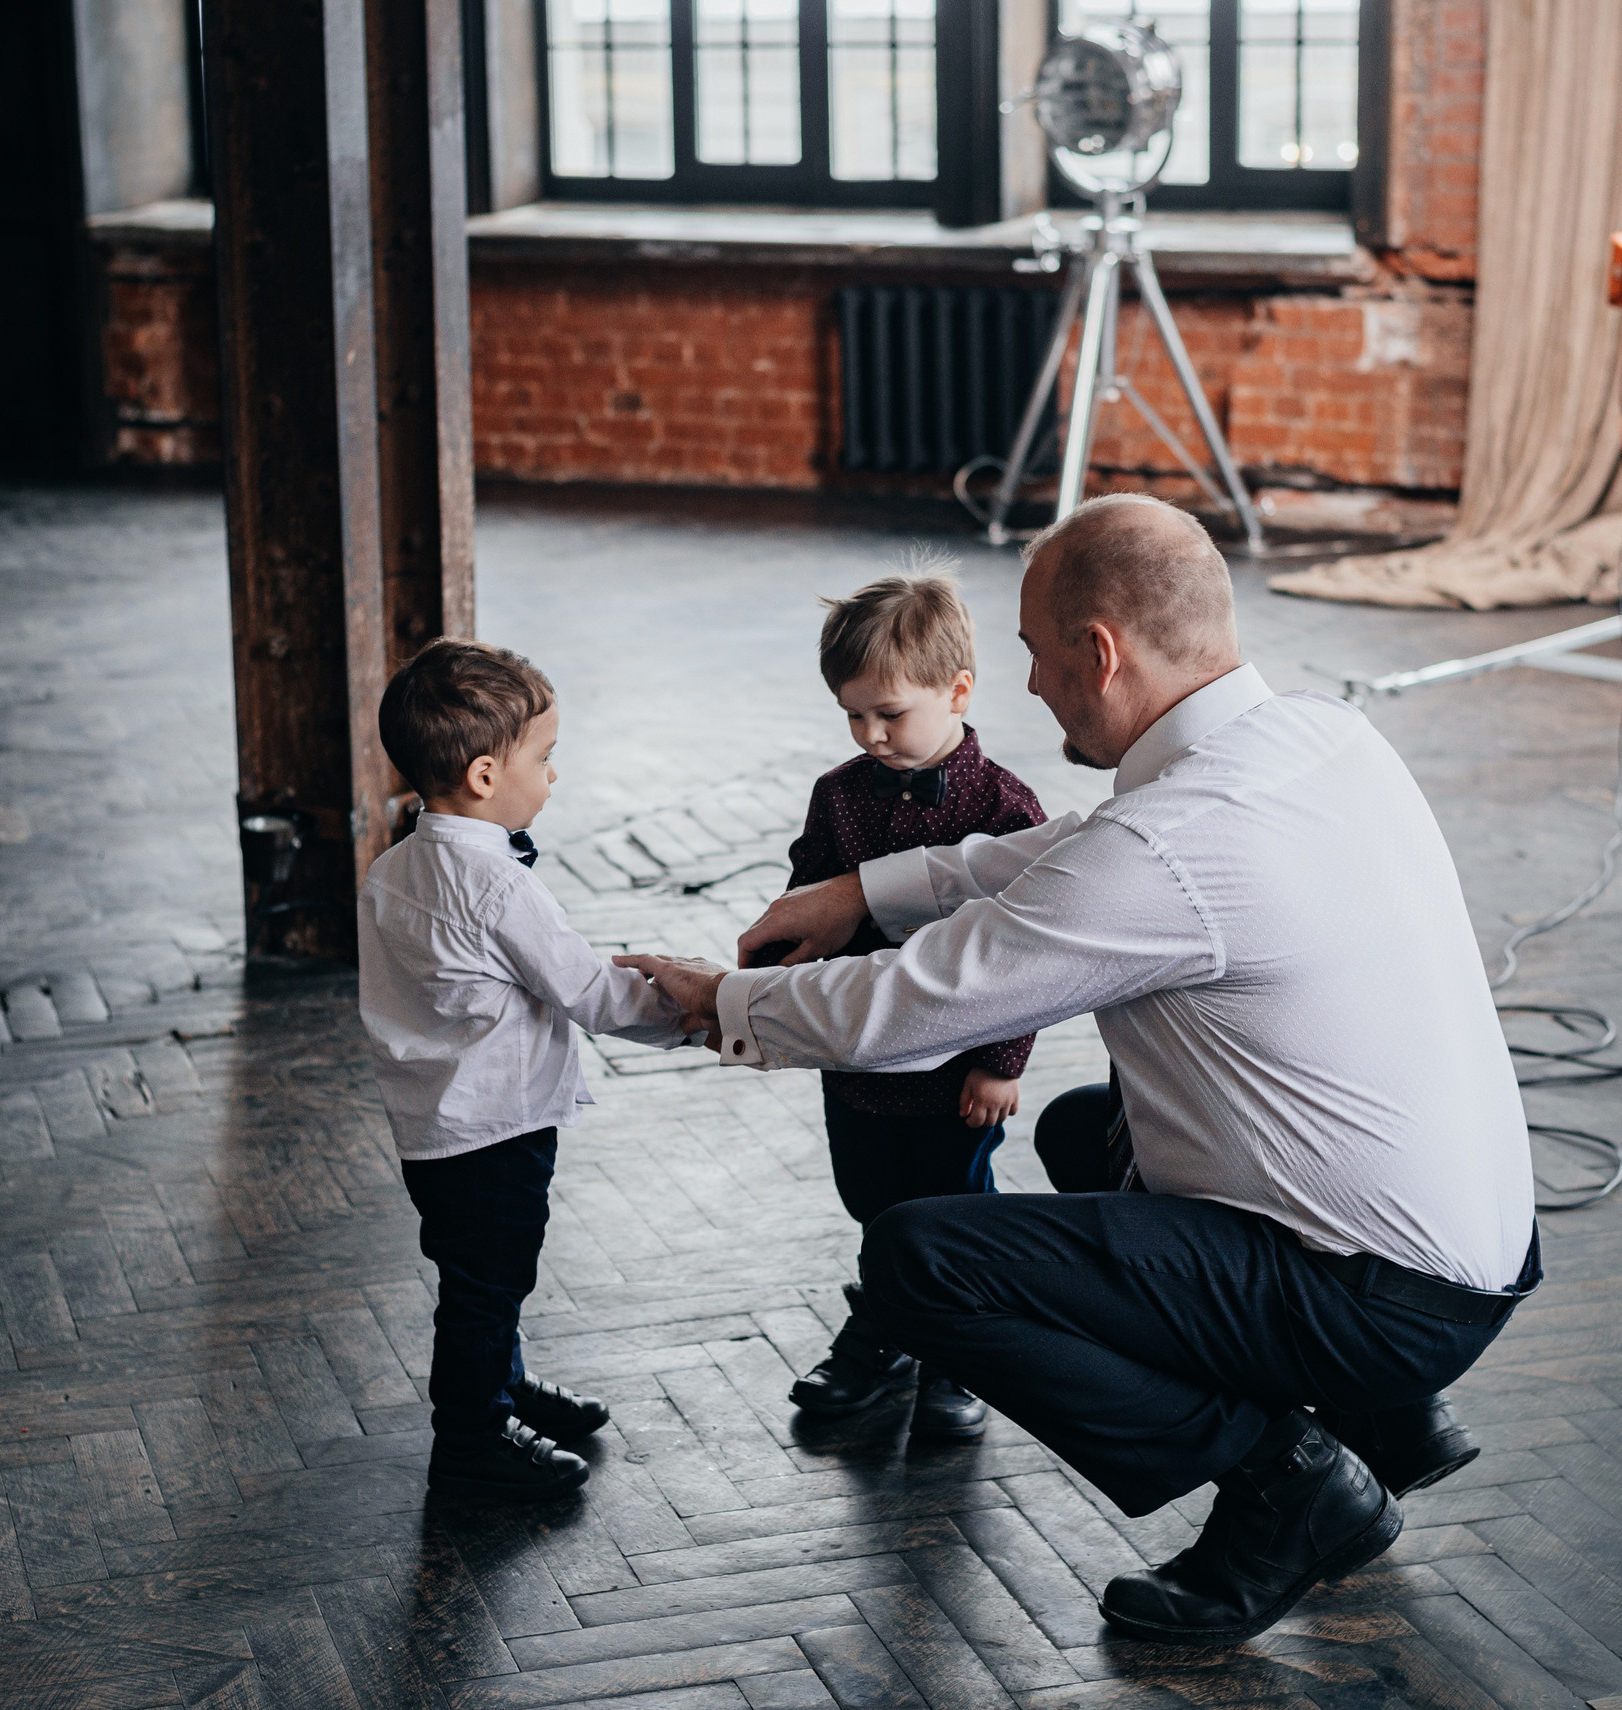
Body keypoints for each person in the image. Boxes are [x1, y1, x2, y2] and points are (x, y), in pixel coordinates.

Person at [617, 495, 1538, 1645]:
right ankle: (1388, 1419)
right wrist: (867, 888)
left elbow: (917, 1005)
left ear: (1097, 652)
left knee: (921, 1256)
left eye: (1033, 656)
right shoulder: (1313, 732)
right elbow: (1077, 847)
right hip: (1471, 1241)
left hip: (1382, 1298)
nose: (1033, 687)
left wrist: (725, 1003)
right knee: (1080, 1131)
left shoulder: (1168, 845)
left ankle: (1291, 1484)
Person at [361, 637, 698, 1503]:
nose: (553, 776)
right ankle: (472, 1436)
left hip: (433, 1125)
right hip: (498, 1125)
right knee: (488, 1285)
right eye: (543, 759)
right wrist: (696, 1010)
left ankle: (502, 1389)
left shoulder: (393, 869)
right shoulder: (499, 886)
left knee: (475, 1272)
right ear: (482, 775)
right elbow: (592, 994)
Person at [770, 573, 1047, 1441]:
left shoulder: (1006, 809)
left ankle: (957, 1352)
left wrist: (1002, 1065)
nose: (870, 735)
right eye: (853, 716)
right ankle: (890, 1328)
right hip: (860, 1050)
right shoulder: (839, 793)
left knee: (950, 1208)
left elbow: (1028, 954)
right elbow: (810, 890)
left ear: (958, 690)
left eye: (889, 713)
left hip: (957, 1066)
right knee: (874, 1198)